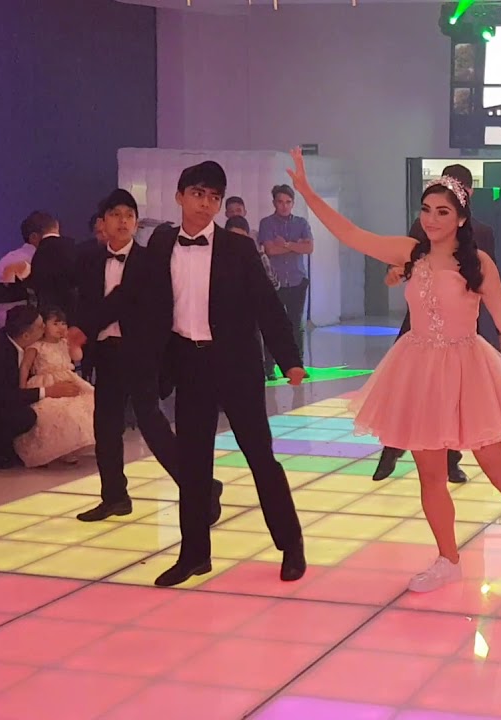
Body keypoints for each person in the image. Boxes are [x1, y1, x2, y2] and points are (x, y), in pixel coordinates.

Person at [287, 149, 501, 609]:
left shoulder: (477, 263)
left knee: (499, 469)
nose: (431, 219)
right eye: (426, 210)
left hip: (467, 367)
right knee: (429, 474)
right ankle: (448, 558)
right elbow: (350, 234)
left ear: (461, 218)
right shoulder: (410, 253)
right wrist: (307, 193)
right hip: (418, 368)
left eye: (443, 212)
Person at [114, 161, 307, 587]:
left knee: (260, 457)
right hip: (189, 363)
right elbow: (136, 297)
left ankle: (291, 544)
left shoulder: (239, 249)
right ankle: (194, 554)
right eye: (198, 194)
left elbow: (268, 307)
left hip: (236, 364)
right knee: (194, 463)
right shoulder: (162, 242)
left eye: (214, 197)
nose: (205, 204)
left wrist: (289, 359)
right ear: (180, 196)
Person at [70, 189, 225, 524]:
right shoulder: (90, 260)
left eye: (129, 215)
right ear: (102, 222)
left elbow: (125, 302)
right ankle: (114, 497)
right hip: (105, 354)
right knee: (106, 428)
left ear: (137, 222)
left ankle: (202, 488)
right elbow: (85, 302)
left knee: (153, 426)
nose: (123, 221)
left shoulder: (149, 261)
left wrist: (84, 328)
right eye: (115, 215)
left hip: (139, 355)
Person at [373, 164, 498, 485]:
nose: (434, 217)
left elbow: (488, 283)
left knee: (454, 396)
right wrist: (396, 272)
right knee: (406, 387)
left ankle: (450, 459)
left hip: (460, 324)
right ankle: (393, 446)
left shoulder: (482, 232)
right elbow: (406, 258)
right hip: (420, 322)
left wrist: (496, 325)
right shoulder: (423, 225)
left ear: (468, 193)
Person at [0, 306, 82, 468]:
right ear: (26, 335)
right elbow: (2, 395)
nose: (45, 328)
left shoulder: (24, 343)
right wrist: (47, 391)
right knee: (27, 416)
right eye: (41, 326)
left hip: (10, 397)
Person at [13, 307, 95, 467]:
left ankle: (71, 448)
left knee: (87, 402)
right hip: (46, 382)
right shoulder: (37, 346)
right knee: (53, 411)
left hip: (68, 379)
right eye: (55, 324)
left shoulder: (64, 343)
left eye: (63, 323)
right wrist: (22, 388)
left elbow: (77, 356)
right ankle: (49, 451)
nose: (60, 327)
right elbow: (25, 366)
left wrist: (73, 343)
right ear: (44, 326)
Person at [258, 184, 314, 374]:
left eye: (288, 202)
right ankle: (269, 367)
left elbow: (309, 248)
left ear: (293, 203)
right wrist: (296, 245)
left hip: (297, 281)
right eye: (280, 202)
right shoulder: (267, 223)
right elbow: (270, 250)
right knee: (273, 324)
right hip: (274, 282)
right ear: (274, 203)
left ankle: (297, 365)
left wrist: (287, 244)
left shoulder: (301, 223)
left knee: (296, 325)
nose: (284, 206)